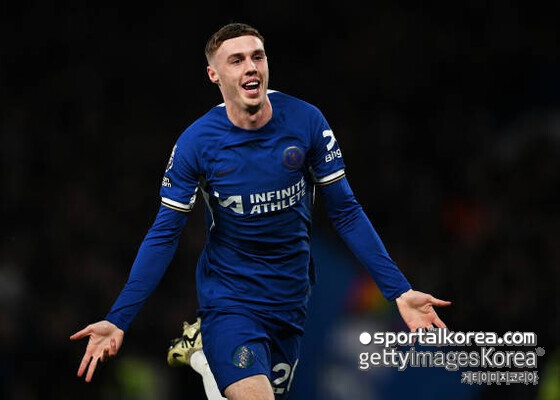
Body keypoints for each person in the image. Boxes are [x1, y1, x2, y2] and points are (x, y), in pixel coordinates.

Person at [70, 22, 451, 400]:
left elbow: (346, 212)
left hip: (291, 295)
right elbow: (164, 234)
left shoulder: (306, 122)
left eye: (257, 56)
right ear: (214, 75)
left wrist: (399, 290)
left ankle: (204, 356)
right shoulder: (196, 144)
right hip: (230, 297)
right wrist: (119, 318)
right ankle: (213, 343)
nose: (251, 67)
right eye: (236, 60)